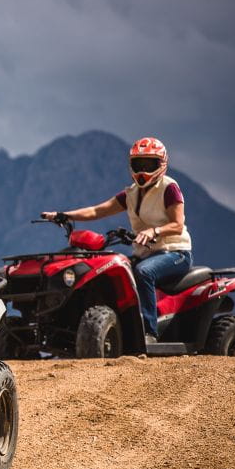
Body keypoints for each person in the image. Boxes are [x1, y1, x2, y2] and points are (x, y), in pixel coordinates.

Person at [41, 137, 193, 343]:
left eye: (149, 164)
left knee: (144, 272)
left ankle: (149, 333)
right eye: (139, 164)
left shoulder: (169, 188)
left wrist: (154, 231)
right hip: (145, 254)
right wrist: (64, 215)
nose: (143, 170)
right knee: (111, 270)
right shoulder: (131, 194)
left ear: (162, 164)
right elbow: (97, 210)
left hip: (175, 253)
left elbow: (177, 223)